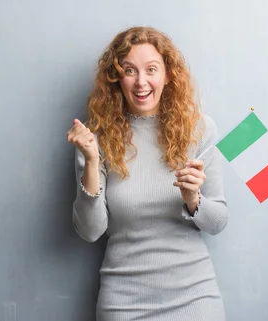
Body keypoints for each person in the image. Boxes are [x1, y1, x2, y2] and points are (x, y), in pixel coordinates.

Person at [66, 26, 229, 321]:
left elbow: (217, 222)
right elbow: (91, 231)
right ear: (117, 78)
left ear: (167, 74)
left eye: (151, 69)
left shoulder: (200, 129)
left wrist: (194, 200)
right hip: (124, 303)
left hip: (195, 299)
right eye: (130, 71)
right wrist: (91, 161)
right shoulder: (96, 138)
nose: (141, 82)